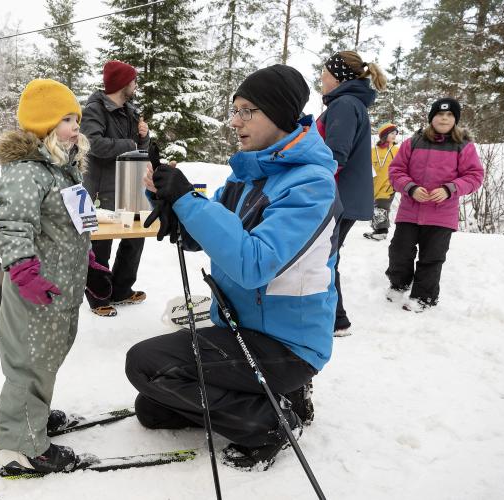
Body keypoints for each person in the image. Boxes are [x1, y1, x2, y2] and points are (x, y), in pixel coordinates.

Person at [126, 65, 342, 471]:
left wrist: (190, 202)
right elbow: (208, 239)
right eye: (235, 109)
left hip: (287, 346)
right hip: (239, 330)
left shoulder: (311, 185)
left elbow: (253, 263)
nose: (235, 121)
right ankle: (273, 398)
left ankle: (271, 424)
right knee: (151, 407)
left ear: (278, 115)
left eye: (247, 111)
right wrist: (170, 205)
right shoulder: (244, 177)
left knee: (146, 364)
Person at [0, 79, 107, 473]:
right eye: (67, 120)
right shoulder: (28, 172)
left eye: (76, 119)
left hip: (59, 292)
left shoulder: (63, 172)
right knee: (28, 363)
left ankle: (33, 416)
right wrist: (23, 271)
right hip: (33, 291)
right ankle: (23, 447)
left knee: (47, 359)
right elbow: (11, 226)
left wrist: (87, 261)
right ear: (43, 126)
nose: (77, 127)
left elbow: (74, 224)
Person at [385, 98, 483, 312]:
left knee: (432, 258)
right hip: (410, 212)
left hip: (442, 215)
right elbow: (395, 171)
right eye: (439, 114)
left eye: (449, 115)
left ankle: (423, 297)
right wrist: (410, 188)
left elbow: (475, 176)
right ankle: (399, 283)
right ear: (432, 118)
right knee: (399, 251)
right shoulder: (413, 142)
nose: (444, 118)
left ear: (455, 119)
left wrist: (450, 189)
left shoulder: (464, 146)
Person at [317, 50, 387, 336]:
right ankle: (335, 318)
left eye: (324, 75)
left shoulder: (345, 104)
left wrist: (316, 191)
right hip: (343, 195)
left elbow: (335, 155)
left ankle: (336, 319)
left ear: (338, 77)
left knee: (323, 256)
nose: (321, 80)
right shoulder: (350, 103)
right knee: (326, 255)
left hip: (337, 197)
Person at [81, 60, 150, 317]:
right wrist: (131, 142)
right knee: (101, 243)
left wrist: (144, 135)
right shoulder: (95, 108)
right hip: (102, 188)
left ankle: (121, 289)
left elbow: (140, 146)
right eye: (133, 80)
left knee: (136, 236)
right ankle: (99, 297)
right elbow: (93, 144)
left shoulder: (130, 110)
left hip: (129, 184)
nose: (136, 85)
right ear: (122, 83)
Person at [364, 122, 400, 241]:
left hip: (388, 185)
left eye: (396, 133)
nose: (394, 136)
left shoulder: (396, 150)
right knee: (375, 207)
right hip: (374, 184)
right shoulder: (373, 150)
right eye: (392, 133)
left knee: (382, 207)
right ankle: (377, 229)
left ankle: (382, 231)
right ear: (384, 135)